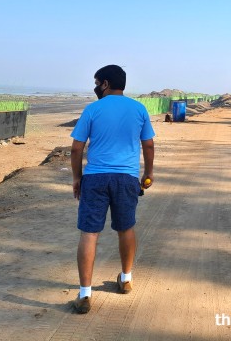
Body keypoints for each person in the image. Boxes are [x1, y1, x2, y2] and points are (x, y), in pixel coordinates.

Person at [70, 65, 155, 314]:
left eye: (97, 82)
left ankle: (85, 294)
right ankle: (126, 278)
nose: (95, 87)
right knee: (125, 228)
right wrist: (148, 173)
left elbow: (76, 148)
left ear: (105, 84)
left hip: (95, 178)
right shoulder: (139, 109)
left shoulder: (93, 109)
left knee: (89, 233)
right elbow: (148, 145)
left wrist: (78, 178)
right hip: (127, 178)